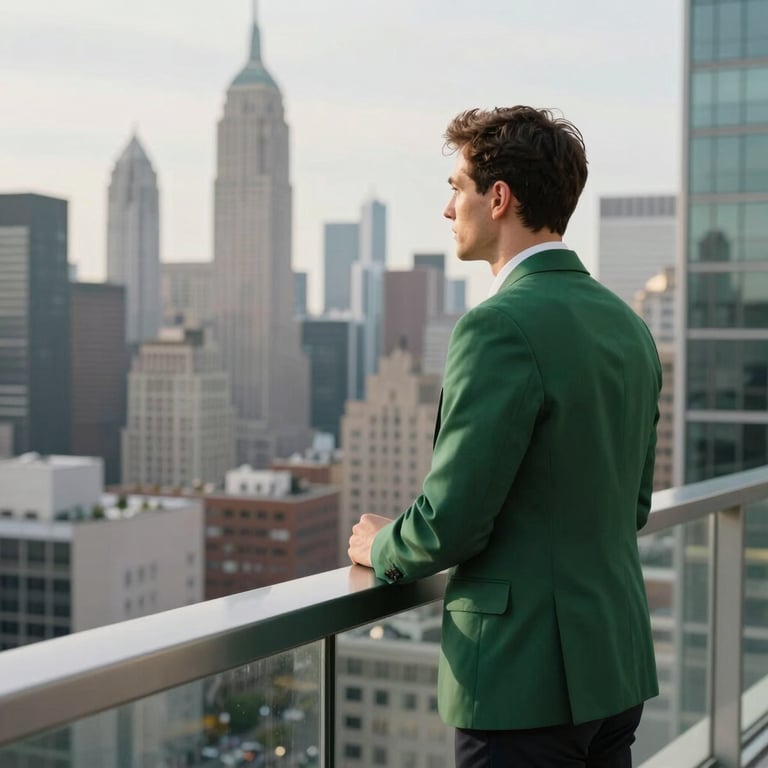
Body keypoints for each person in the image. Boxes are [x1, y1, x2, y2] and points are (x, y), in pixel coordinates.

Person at [348, 106, 660, 768]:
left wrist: (381, 544)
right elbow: (632, 505)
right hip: (613, 666)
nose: (446, 209)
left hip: (523, 683)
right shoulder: (627, 327)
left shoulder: (497, 327)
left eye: (455, 188)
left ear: (498, 198)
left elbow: (449, 524)